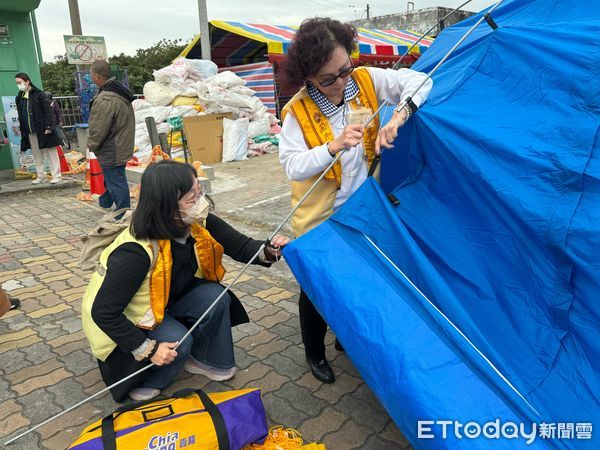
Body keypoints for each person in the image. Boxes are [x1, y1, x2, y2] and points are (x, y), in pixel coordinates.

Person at [278, 17, 433, 383]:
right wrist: (330, 147)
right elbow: (292, 165)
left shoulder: (365, 81)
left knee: (358, 277)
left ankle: (346, 339)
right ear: (309, 77)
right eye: (328, 78)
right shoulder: (296, 113)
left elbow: (421, 80)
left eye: (344, 69)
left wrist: (399, 115)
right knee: (316, 286)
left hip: (363, 208)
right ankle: (314, 351)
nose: (341, 82)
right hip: (320, 215)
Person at [81, 160, 290, 402]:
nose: (200, 202)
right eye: (191, 198)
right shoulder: (135, 251)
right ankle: (148, 377)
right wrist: (147, 349)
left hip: (166, 301)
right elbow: (104, 312)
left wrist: (270, 251)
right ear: (166, 205)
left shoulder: (195, 222)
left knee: (216, 297)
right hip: (127, 318)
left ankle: (205, 359)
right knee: (177, 341)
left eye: (199, 192)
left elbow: (241, 246)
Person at [88, 59, 135, 211]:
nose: (90, 76)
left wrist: (92, 145)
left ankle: (122, 212)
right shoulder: (118, 91)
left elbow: (98, 127)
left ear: (96, 76)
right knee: (113, 177)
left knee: (115, 179)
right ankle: (105, 201)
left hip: (112, 147)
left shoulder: (106, 98)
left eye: (91, 73)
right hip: (120, 143)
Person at [15, 73, 62, 184]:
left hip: (44, 129)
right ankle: (41, 176)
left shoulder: (39, 94)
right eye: (17, 83)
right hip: (30, 131)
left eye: (20, 82)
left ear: (27, 81)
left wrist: (49, 126)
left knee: (51, 152)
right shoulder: (19, 97)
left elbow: (48, 111)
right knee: (37, 155)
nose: (18, 85)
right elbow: (21, 115)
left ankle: (57, 175)